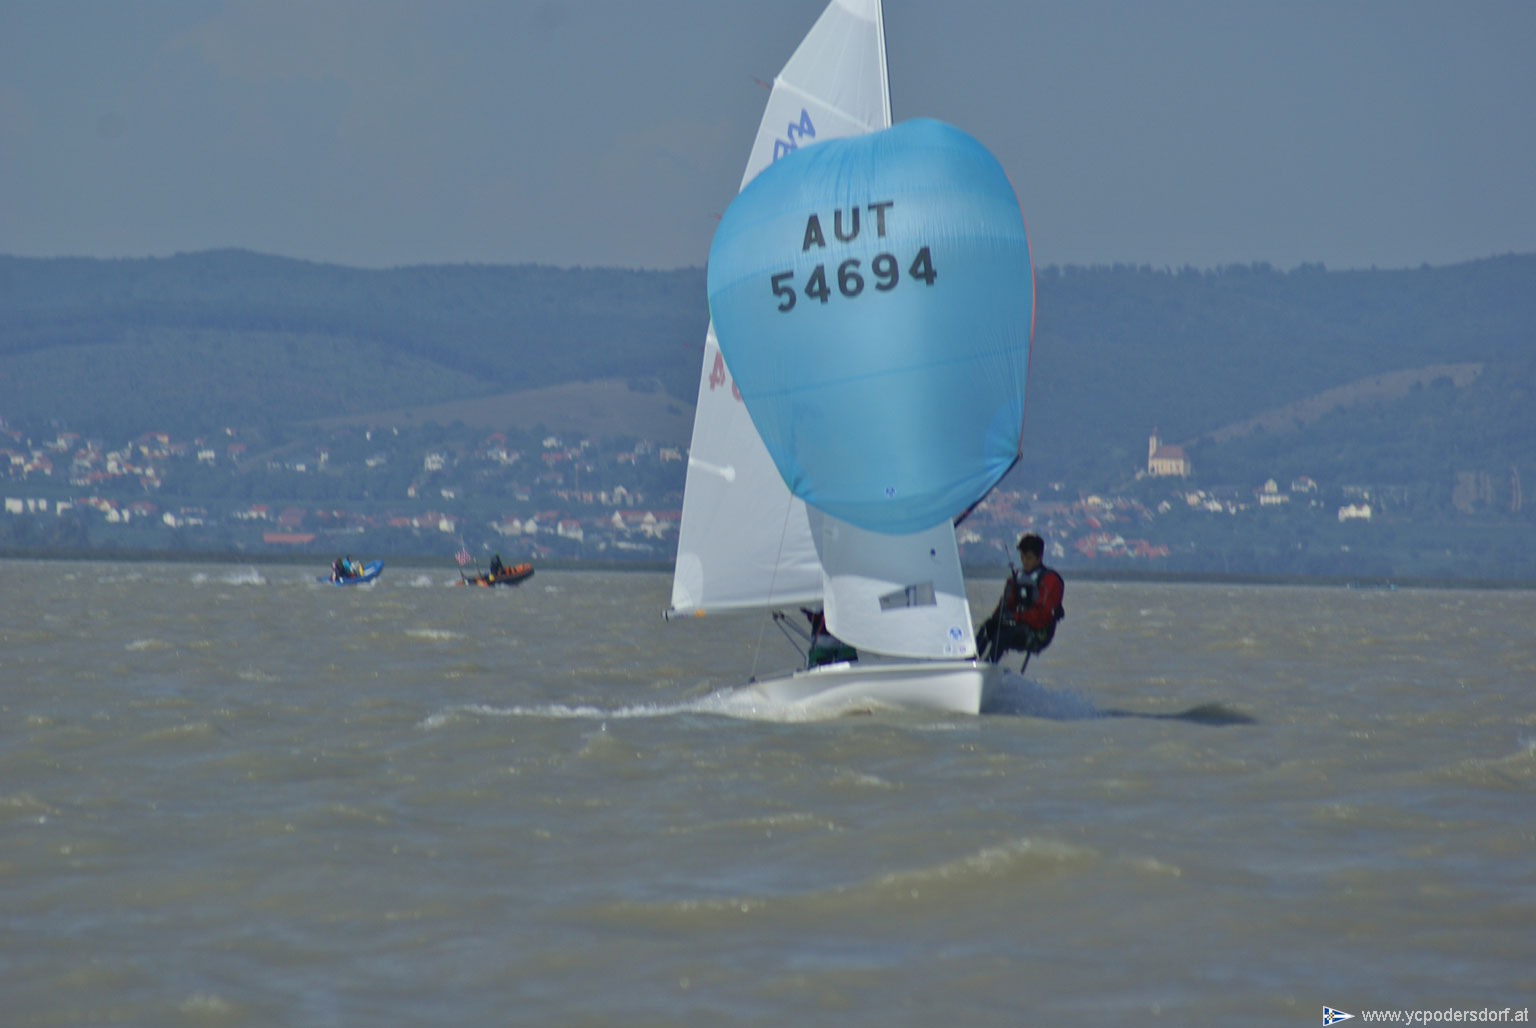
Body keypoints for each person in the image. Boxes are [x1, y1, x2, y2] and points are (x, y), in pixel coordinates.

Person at [975, 533, 1065, 663]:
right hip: (1017, 625)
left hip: (1038, 634)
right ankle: (970, 660)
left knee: (1003, 634)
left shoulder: (1050, 580)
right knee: (988, 627)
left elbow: (1043, 615)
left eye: (1029, 558)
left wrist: (1016, 617)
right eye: (1022, 557)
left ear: (1039, 557)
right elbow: (1004, 605)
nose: (1025, 562)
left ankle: (989, 664)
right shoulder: (1016, 577)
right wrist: (997, 619)